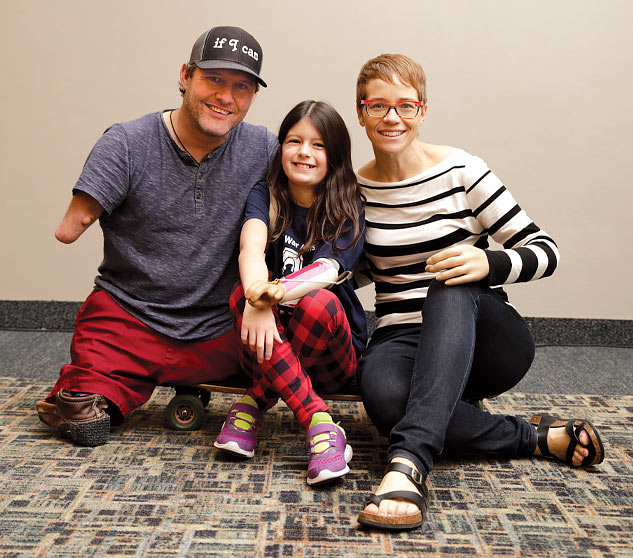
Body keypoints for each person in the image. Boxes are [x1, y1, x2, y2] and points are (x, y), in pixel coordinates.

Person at [353, 54, 605, 530]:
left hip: (481, 338)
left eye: (405, 106)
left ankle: (408, 464)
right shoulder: (355, 190)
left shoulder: (462, 171)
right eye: (378, 106)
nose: (392, 118)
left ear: (423, 110)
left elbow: (546, 251)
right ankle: (536, 438)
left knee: (449, 283)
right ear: (361, 112)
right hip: (401, 339)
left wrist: (488, 262)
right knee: (384, 400)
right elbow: (359, 272)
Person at [36, 26, 278, 446]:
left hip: (223, 324)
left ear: (253, 96)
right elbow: (68, 229)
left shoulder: (265, 149)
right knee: (82, 412)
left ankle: (203, 382)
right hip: (132, 319)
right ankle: (92, 393)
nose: (226, 97)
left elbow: (324, 204)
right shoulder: (127, 143)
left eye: (241, 86)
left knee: (299, 344)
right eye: (214, 80)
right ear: (186, 75)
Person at [213, 100, 367, 486]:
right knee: (237, 297)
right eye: (294, 141)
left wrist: (272, 295)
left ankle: (252, 403)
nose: (304, 152)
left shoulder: (349, 203)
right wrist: (253, 295)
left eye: (318, 145)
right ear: (280, 147)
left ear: (335, 154)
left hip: (331, 353)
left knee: (318, 303)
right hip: (271, 344)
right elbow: (250, 248)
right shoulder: (264, 194)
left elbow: (328, 271)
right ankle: (319, 424)